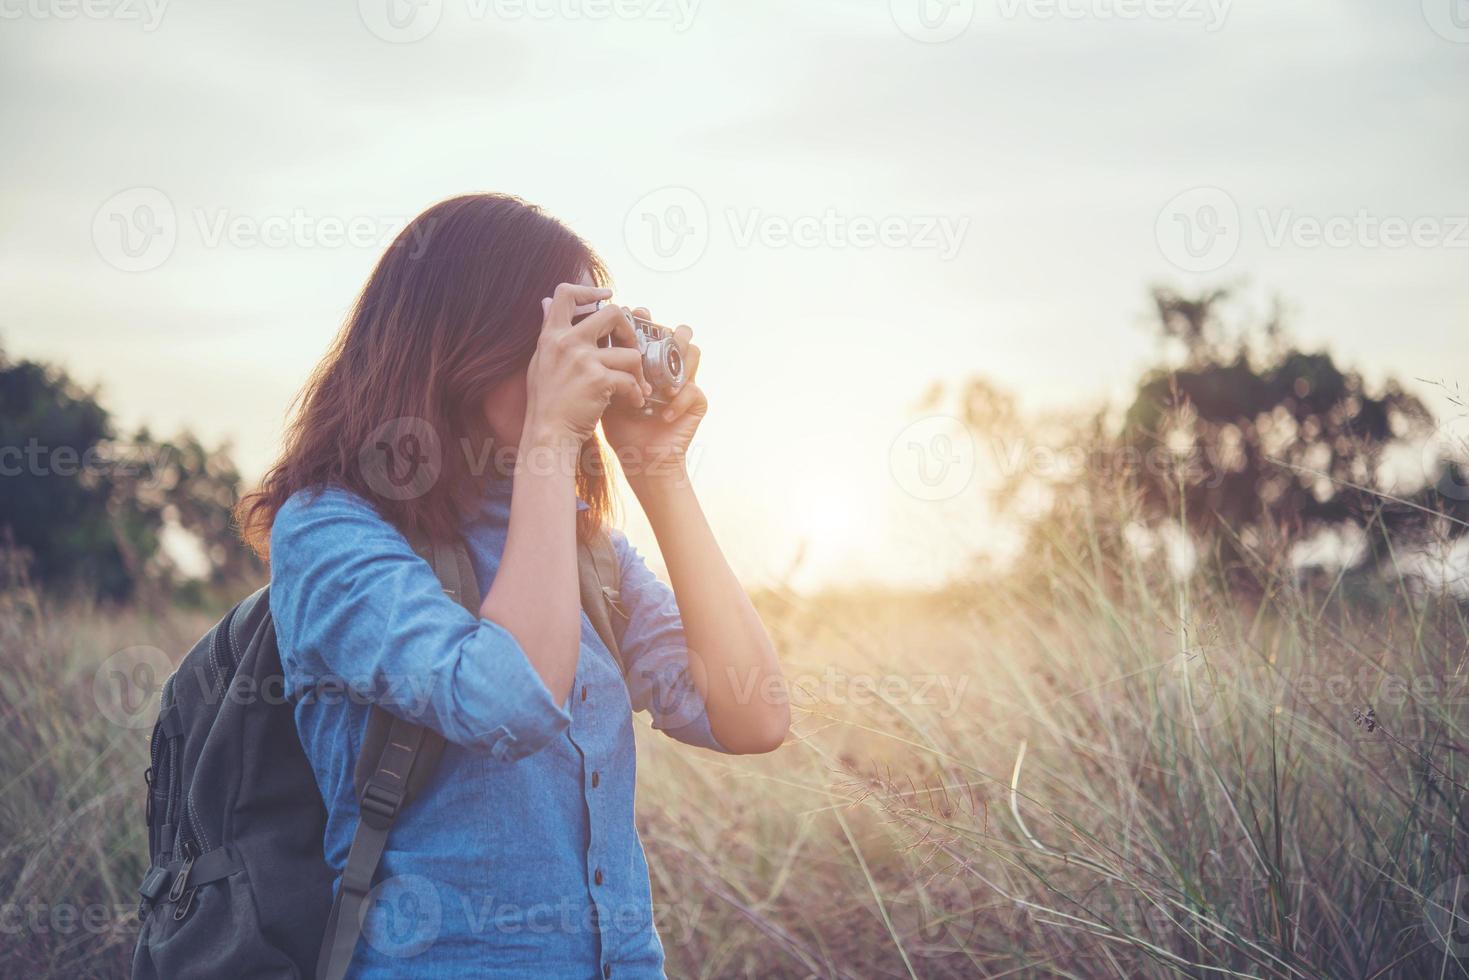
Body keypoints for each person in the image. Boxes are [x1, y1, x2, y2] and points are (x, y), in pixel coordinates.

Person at [235, 193, 789, 978]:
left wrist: (658, 470)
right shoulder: (329, 530)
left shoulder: (581, 547)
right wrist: (550, 437)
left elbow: (752, 714)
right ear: (464, 341)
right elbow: (508, 700)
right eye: (557, 335)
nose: (579, 361)